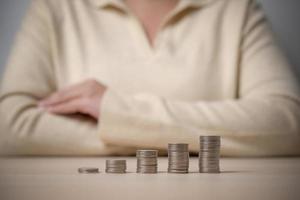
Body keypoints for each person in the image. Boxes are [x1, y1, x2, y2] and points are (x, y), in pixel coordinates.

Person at [0, 0, 300, 156]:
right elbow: (9, 125)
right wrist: (174, 137)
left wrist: (117, 113)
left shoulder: (236, 9)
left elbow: (288, 121)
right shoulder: (55, 8)